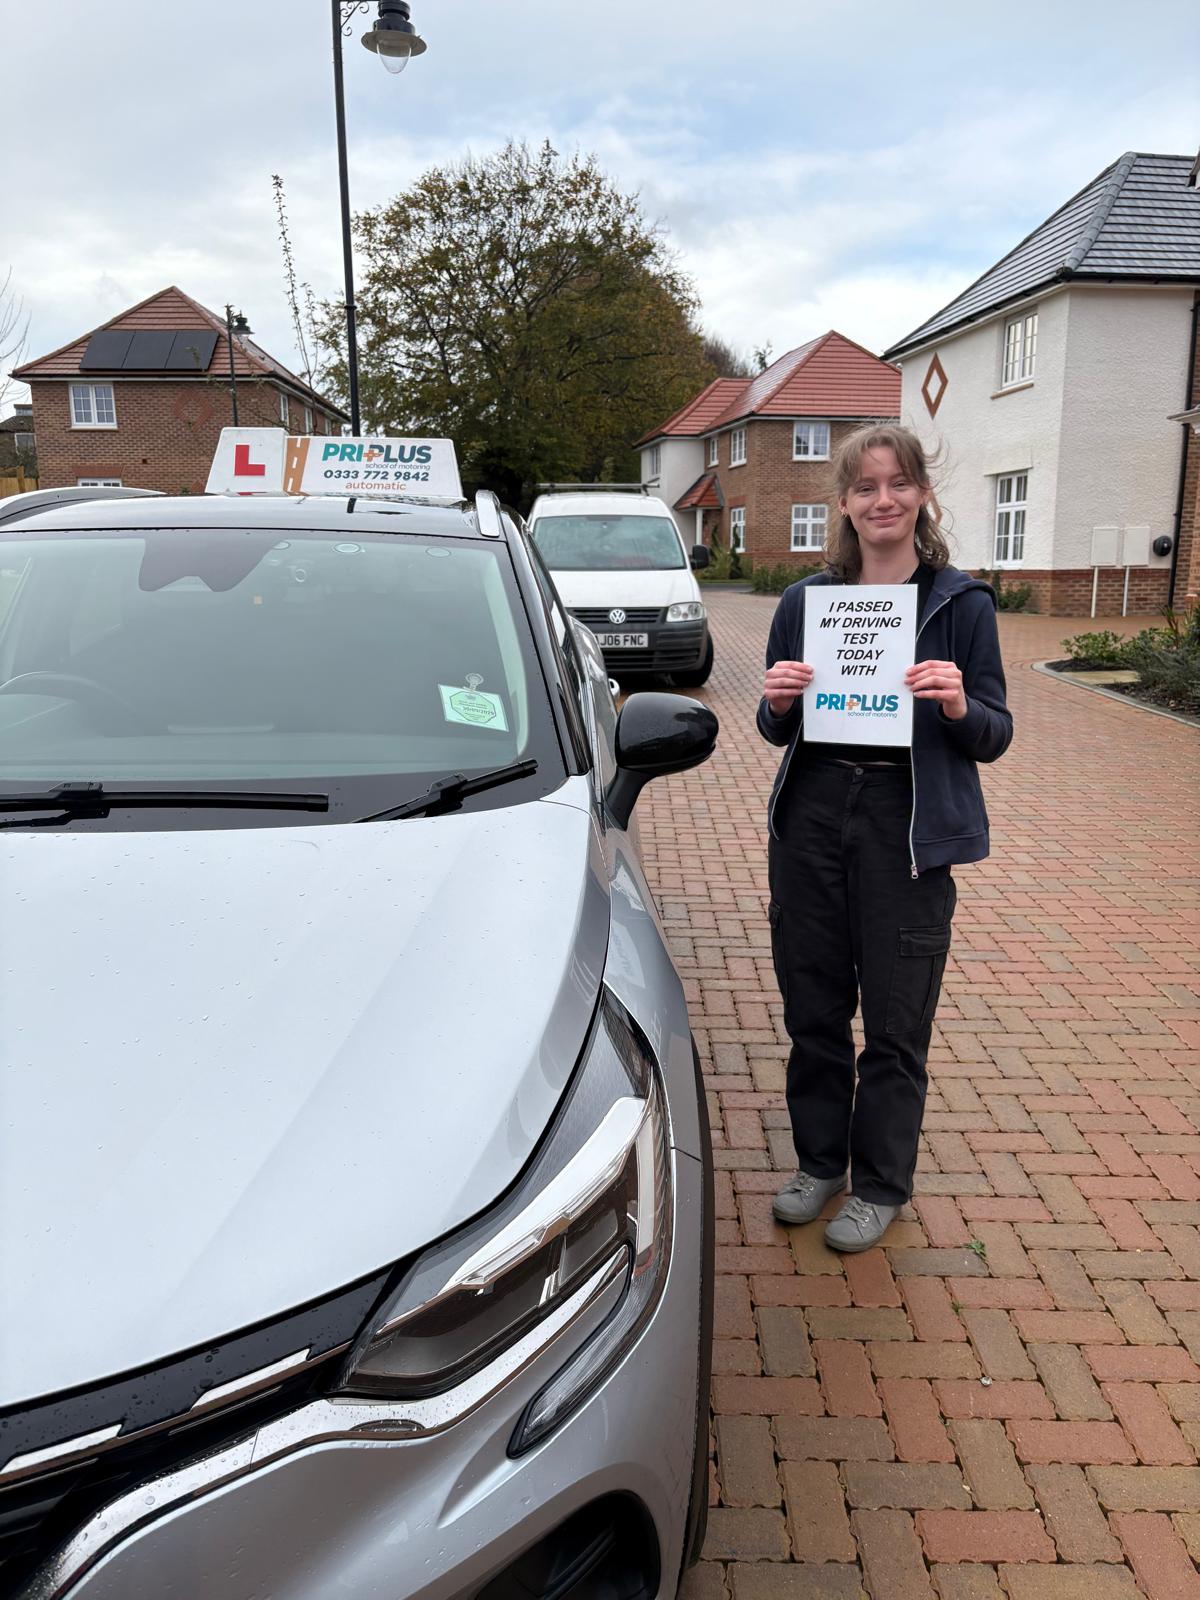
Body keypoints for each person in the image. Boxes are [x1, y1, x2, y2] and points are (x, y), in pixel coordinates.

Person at [757, 423, 1012, 1252]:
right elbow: (773, 725)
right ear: (843, 503)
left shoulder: (961, 604)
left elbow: (994, 733)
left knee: (897, 1020)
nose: (883, 500)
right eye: (865, 487)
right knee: (813, 1005)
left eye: (898, 483)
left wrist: (958, 704)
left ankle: (879, 1185)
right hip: (814, 812)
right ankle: (819, 1163)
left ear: (923, 493)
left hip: (907, 821)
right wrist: (779, 700)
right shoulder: (807, 602)